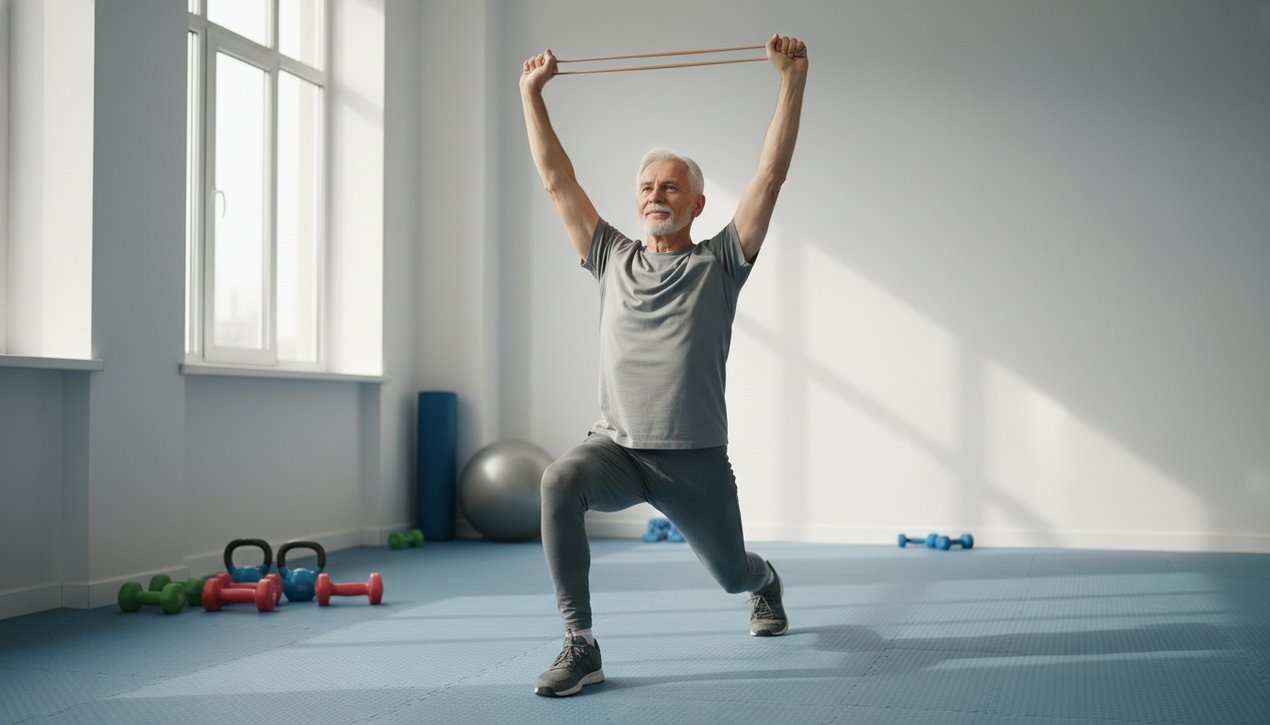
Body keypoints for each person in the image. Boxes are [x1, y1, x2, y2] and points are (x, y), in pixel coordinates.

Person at [519, 33, 808, 698]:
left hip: (695, 461)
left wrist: (791, 80)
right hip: (615, 447)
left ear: (697, 203)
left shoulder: (721, 262)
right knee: (559, 480)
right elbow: (557, 177)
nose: (657, 194)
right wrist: (530, 96)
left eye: (671, 186)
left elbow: (769, 175)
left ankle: (765, 582)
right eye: (648, 186)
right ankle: (581, 643)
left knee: (734, 575)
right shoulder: (610, 256)